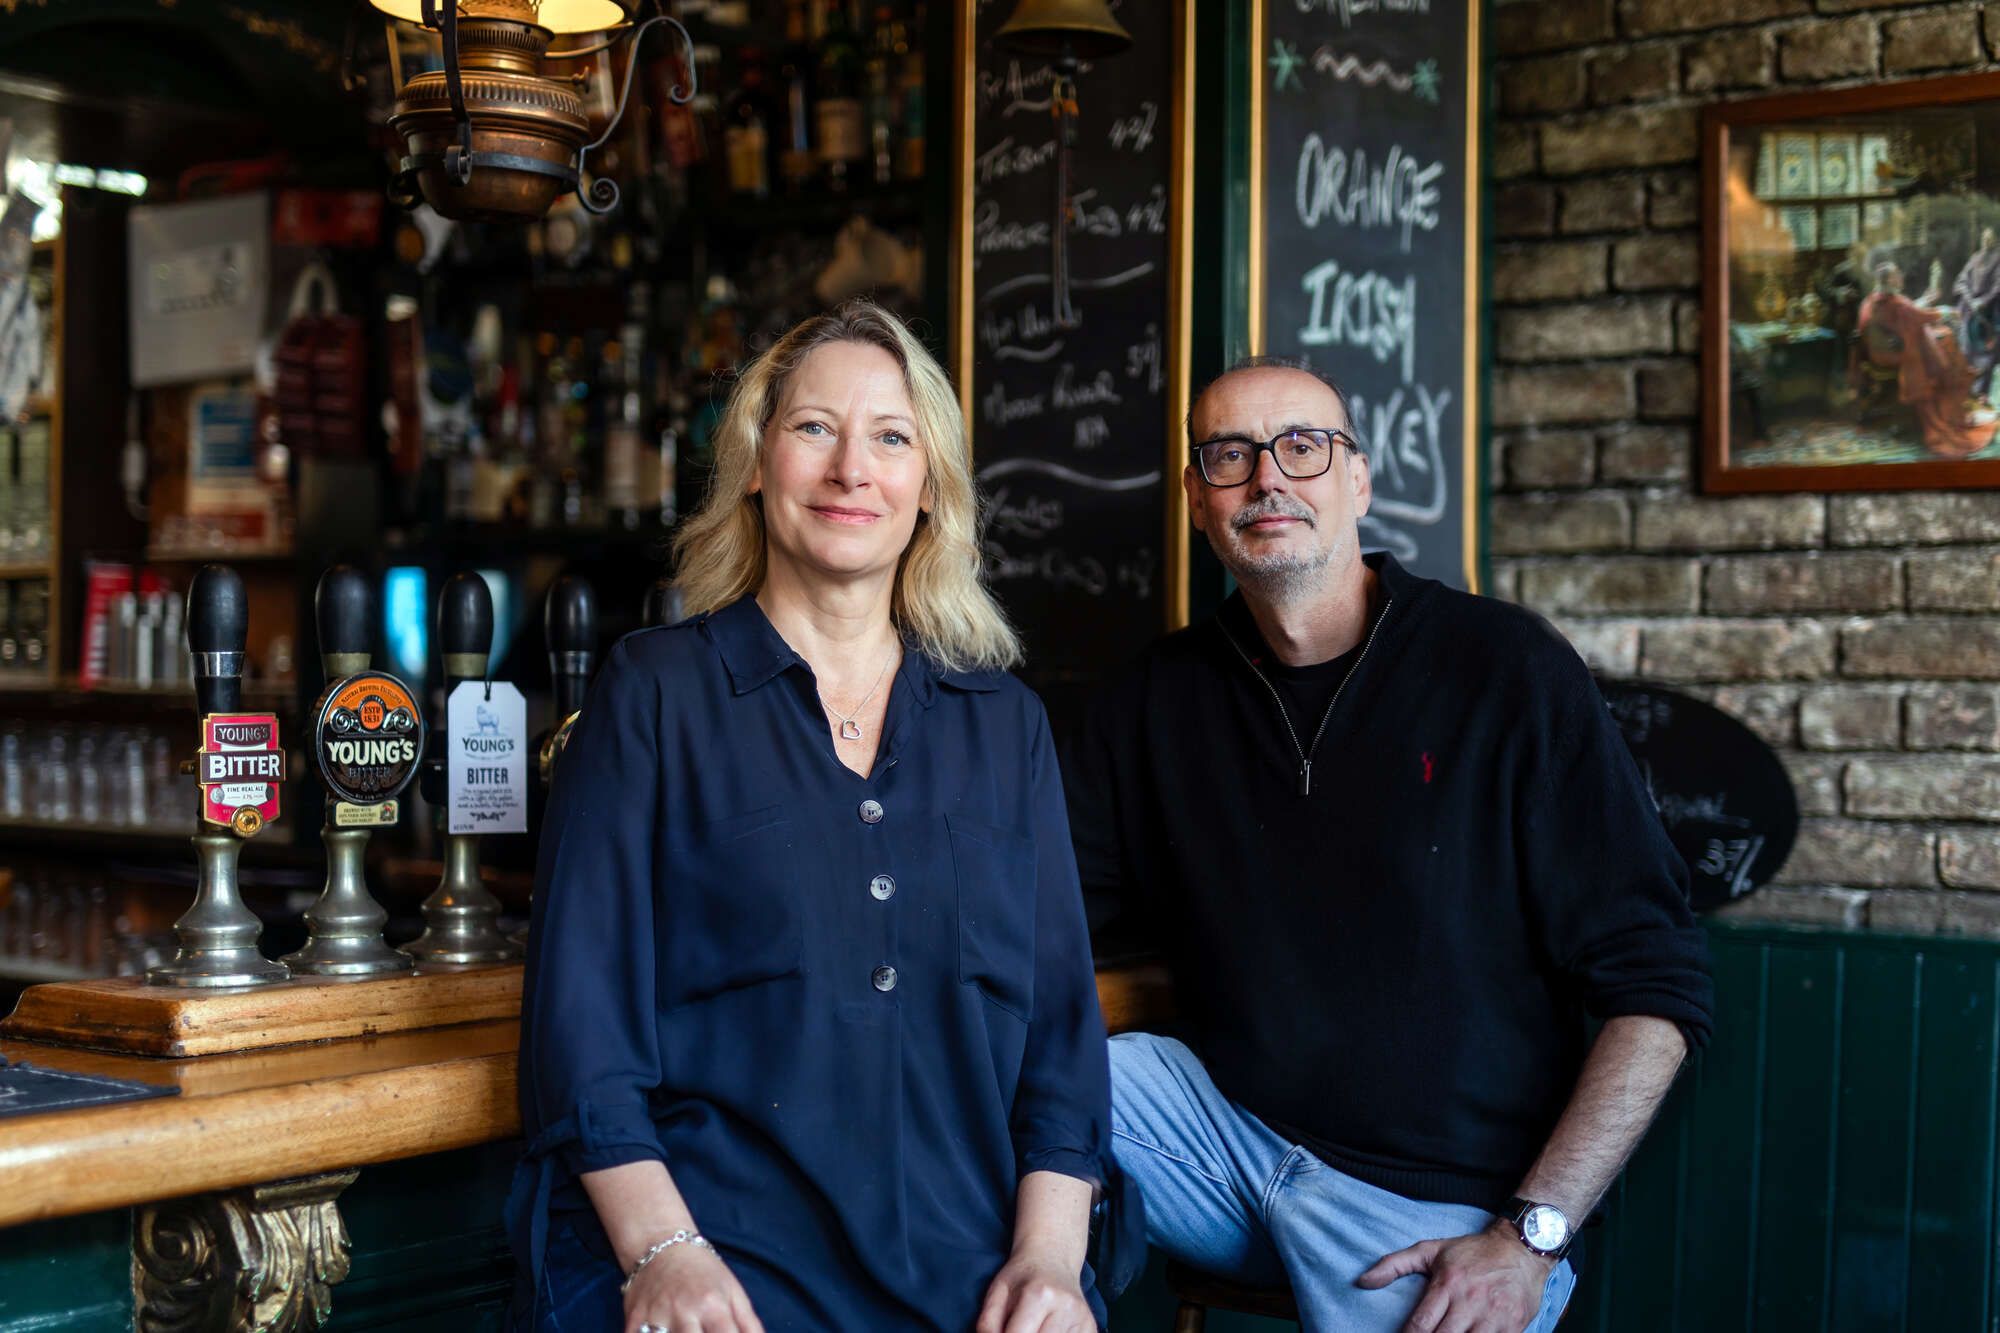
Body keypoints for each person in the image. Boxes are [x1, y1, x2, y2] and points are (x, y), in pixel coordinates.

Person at [1066, 357, 1716, 1333]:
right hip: (1218, 1140)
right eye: (1230, 455)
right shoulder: (1152, 697)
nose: (1267, 479)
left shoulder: (1504, 669)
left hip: (1434, 1208)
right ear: (1197, 499)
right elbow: (1035, 912)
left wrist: (1528, 1235)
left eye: (1302, 446)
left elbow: (1656, 991)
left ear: (1358, 481)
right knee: (991, 1076)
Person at [508, 300, 1121, 1333]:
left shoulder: (1001, 725)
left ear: (928, 487)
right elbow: (582, 1021)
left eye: (890, 438)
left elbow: (1061, 1035)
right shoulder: (655, 692)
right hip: (724, 1268)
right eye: (811, 429)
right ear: (754, 465)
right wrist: (665, 1253)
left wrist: (1051, 1263)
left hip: (965, 1273)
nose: (851, 470)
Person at [1859, 261, 1999, 458]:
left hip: (1877, 352)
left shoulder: (1875, 299)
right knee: (1945, 346)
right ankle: (1953, 395)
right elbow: (1918, 316)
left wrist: (1924, 300)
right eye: (1898, 274)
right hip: (1893, 355)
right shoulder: (1894, 302)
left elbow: (1907, 313)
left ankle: (1959, 389)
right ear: (1890, 279)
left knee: (1939, 342)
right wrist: (1946, 311)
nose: (1901, 278)